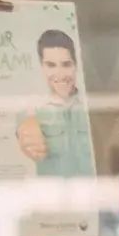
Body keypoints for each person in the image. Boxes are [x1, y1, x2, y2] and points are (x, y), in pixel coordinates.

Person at [15, 30, 94, 178]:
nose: (60, 74)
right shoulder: (32, 110)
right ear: (42, 67)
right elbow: (23, 127)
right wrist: (26, 127)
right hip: (55, 199)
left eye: (66, 64)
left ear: (76, 65)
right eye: (51, 65)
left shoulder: (91, 105)